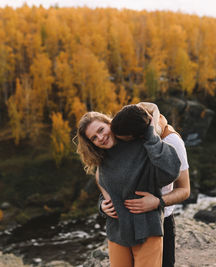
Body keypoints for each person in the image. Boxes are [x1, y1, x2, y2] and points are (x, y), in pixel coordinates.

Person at [76, 108, 181, 267]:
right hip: (117, 231)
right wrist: (102, 206)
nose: (101, 138)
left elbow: (171, 171)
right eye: (94, 138)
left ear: (109, 123)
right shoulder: (102, 158)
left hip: (146, 229)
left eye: (101, 130)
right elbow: (110, 189)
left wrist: (151, 135)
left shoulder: (141, 144)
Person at [102, 103, 190, 267]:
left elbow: (185, 190)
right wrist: (104, 200)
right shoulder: (131, 119)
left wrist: (158, 201)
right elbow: (103, 172)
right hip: (126, 224)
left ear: (138, 136)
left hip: (160, 221)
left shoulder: (172, 141)